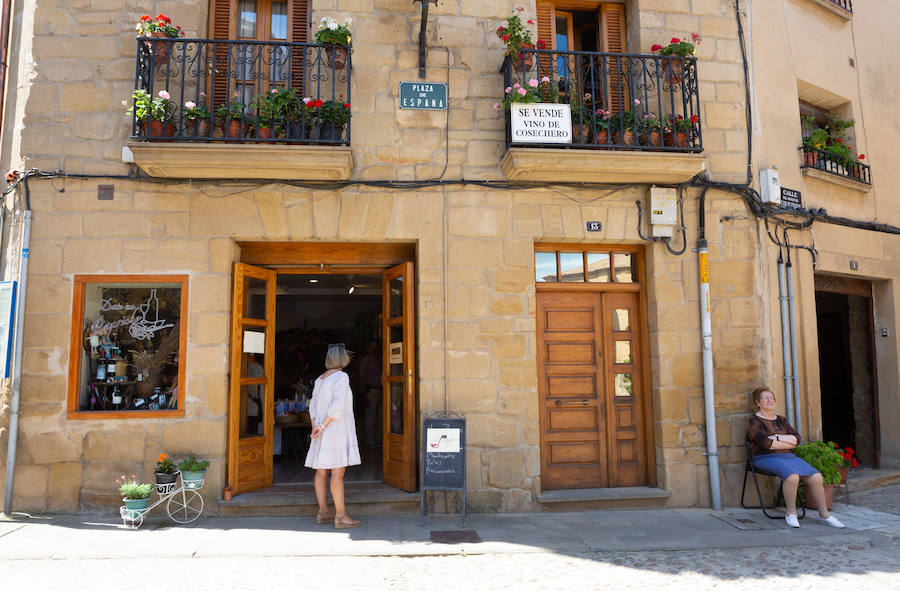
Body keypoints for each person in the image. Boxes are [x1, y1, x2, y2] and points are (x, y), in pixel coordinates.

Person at [747, 387, 845, 529]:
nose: (770, 400)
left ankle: (825, 515)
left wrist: (778, 438)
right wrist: (786, 442)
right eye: (765, 398)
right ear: (758, 402)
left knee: (816, 476)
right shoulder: (755, 421)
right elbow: (765, 443)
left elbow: (797, 439)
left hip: (788, 456)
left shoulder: (781, 420)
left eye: (772, 398)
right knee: (792, 476)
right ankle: (791, 513)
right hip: (764, 457)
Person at [305, 343, 362, 529]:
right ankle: (341, 516)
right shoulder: (341, 377)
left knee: (321, 471)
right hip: (334, 429)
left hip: (320, 430)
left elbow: (312, 405)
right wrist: (322, 426)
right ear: (341, 358)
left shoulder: (320, 379)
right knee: (337, 472)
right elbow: (338, 405)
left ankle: (323, 511)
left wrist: (316, 426)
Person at [358, 340, 382, 446]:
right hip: (371, 390)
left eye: (376, 347)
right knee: (370, 417)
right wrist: (364, 396)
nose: (375, 350)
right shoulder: (365, 361)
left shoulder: (381, 359)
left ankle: (379, 440)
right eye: (373, 348)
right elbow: (362, 378)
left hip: (383, 390)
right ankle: (370, 440)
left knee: (382, 417)